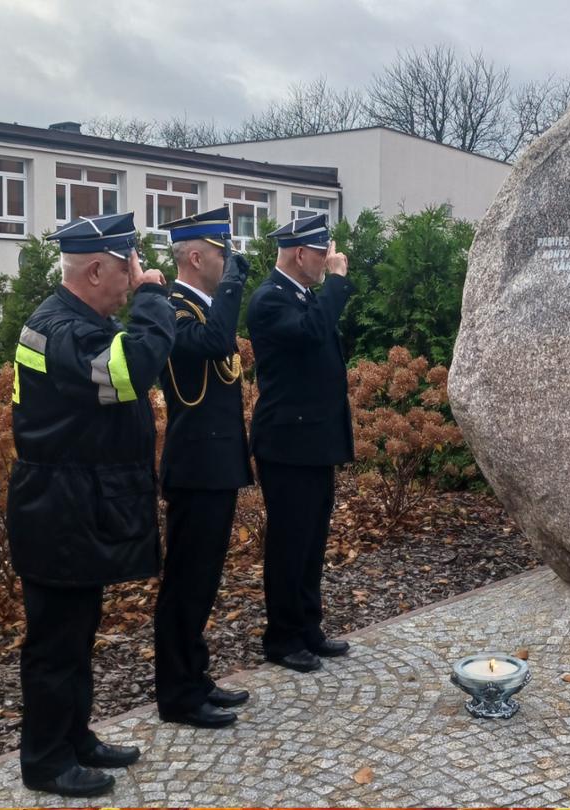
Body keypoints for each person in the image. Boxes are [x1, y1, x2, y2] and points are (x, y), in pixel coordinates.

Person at [6, 210, 171, 798]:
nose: (134, 276)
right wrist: (154, 301)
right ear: (97, 269)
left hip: (69, 504)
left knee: (76, 633)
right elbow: (130, 371)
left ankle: (74, 737)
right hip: (58, 509)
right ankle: (48, 761)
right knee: (55, 642)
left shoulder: (73, 323)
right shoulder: (63, 330)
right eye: (128, 267)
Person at [151, 207, 253, 728]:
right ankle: (177, 694)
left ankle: (196, 677)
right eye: (223, 253)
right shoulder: (174, 310)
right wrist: (234, 286)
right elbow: (215, 344)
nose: (231, 262)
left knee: (204, 582)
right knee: (185, 584)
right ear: (196, 256)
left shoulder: (203, 308)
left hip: (215, 465)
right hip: (194, 469)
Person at [245, 212, 353, 673]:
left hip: (314, 439)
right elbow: (310, 334)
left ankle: (309, 626)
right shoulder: (271, 299)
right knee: (290, 542)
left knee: (311, 540)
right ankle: (283, 637)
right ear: (299, 254)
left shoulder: (302, 295)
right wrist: (337, 284)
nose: (328, 258)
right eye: (321, 252)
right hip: (288, 443)